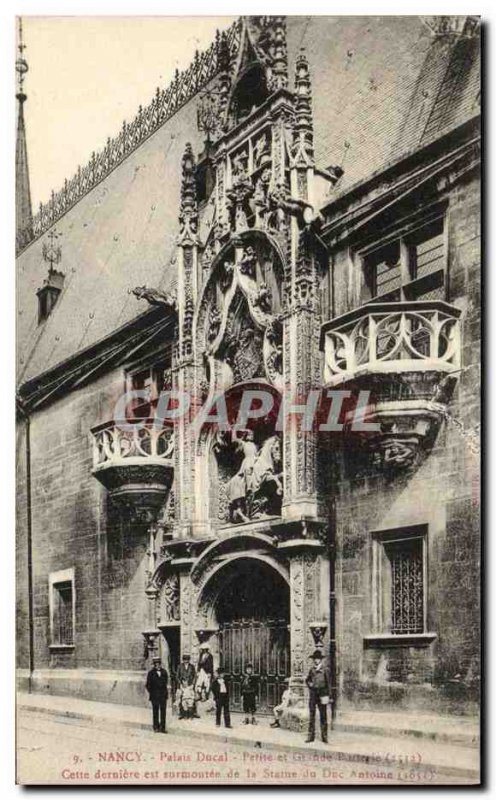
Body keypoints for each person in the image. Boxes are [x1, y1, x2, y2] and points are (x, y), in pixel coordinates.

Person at [305, 650, 330, 744]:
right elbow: (307, 680)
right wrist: (310, 685)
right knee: (312, 715)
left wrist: (329, 696)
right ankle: (310, 737)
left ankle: (325, 737)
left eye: (318, 659)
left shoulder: (325, 670)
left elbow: (328, 684)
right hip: (313, 694)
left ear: (321, 660)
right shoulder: (312, 670)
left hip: (323, 694)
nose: (316, 661)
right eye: (315, 659)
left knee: (323, 715)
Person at [145, 656, 168, 733]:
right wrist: (152, 692)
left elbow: (166, 682)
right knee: (155, 712)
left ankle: (163, 727)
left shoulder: (164, 672)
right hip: (154, 696)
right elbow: (148, 685)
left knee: (163, 712)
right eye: (156, 664)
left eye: (159, 664)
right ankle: (156, 727)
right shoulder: (151, 673)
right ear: (154, 665)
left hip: (163, 695)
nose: (158, 665)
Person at [176, 654, 199, 719]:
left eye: (187, 660)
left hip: (190, 685)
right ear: (183, 660)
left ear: (189, 660)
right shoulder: (179, 666)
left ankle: (192, 713)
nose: (186, 661)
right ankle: (182, 714)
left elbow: (194, 676)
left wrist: (193, 684)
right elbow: (177, 676)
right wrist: (180, 683)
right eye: (185, 660)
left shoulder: (192, 667)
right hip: (182, 685)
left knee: (191, 699)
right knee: (182, 699)